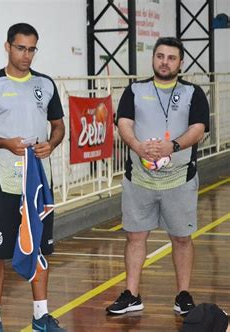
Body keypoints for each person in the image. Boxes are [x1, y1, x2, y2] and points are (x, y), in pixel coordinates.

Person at [0, 23, 65, 332]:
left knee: (40, 248)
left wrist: (52, 142)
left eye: (32, 49)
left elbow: (58, 125)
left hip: (37, 184)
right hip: (2, 181)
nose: (26, 54)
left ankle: (40, 316)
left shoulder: (45, 84)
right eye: (21, 48)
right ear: (7, 47)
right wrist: (4, 143)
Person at [106, 37, 209, 316]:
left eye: (171, 57)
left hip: (179, 179)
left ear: (180, 62)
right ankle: (132, 294)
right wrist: (138, 146)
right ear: (153, 59)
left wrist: (173, 146)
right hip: (139, 179)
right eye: (160, 56)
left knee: (182, 238)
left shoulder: (193, 92)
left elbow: (199, 128)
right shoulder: (135, 90)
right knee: (135, 236)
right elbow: (124, 124)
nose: (165, 61)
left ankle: (183, 295)